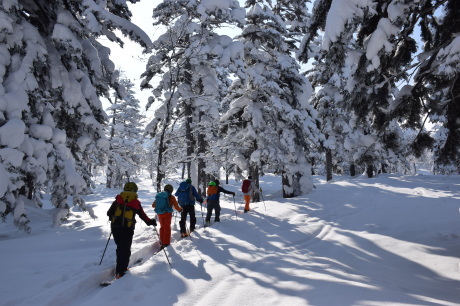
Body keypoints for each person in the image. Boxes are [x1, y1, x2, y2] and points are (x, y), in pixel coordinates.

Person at [107, 182, 157, 279]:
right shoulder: (135, 202)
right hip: (127, 229)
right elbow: (143, 217)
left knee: (120, 248)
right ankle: (121, 271)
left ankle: (120, 270)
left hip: (115, 227)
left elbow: (109, 213)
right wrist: (151, 222)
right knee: (125, 249)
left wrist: (114, 218)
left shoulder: (118, 199)